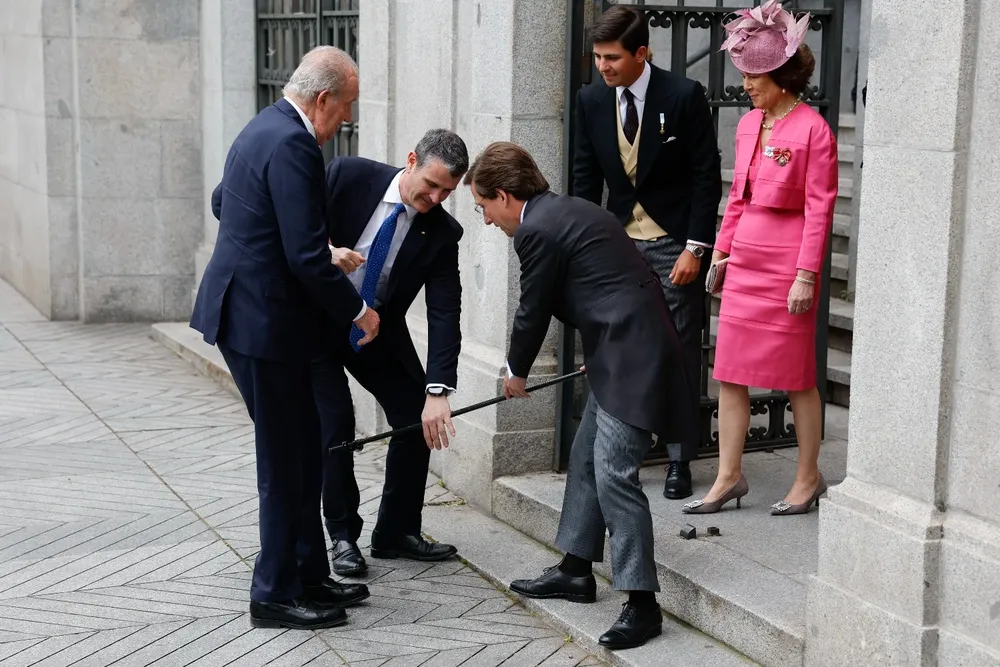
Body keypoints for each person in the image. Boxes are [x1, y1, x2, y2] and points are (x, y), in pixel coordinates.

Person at [465, 142, 696, 650]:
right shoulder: (566, 209)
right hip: (621, 342)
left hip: (631, 351)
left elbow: (534, 306)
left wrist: (516, 370)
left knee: (613, 470)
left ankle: (642, 603)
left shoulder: (537, 229)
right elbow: (609, 280)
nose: (485, 220)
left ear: (504, 195)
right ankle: (575, 570)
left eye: (482, 206)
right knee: (586, 459)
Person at [189, 46, 376, 629]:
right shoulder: (293, 143)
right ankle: (272, 594)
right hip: (260, 325)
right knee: (285, 459)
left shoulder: (262, 125)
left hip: (254, 317)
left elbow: (229, 204)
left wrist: (308, 248)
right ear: (323, 100)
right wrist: (359, 312)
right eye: (345, 108)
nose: (344, 121)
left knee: (302, 450)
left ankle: (309, 575)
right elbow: (302, 257)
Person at [683, 1, 838, 516]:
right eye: (745, 73)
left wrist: (807, 275)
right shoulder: (749, 124)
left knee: (796, 377)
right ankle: (729, 477)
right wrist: (722, 251)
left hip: (789, 262)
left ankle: (808, 477)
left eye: (755, 74)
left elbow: (820, 209)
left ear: (781, 75)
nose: (746, 83)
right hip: (746, 260)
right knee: (729, 370)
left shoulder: (814, 129)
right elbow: (739, 197)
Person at [573, 4, 723, 500]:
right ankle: (624, 453)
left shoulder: (683, 95)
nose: (603, 67)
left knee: (679, 347)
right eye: (597, 57)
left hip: (674, 244)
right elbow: (584, 178)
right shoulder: (592, 99)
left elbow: (706, 177)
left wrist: (697, 249)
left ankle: (680, 457)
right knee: (617, 346)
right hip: (619, 245)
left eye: (612, 57)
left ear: (642, 53)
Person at [312, 129, 468, 575]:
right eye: (432, 185)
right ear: (412, 159)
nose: (436, 198)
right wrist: (323, 251)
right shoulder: (347, 175)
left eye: (448, 192)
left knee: (416, 415)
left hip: (375, 329)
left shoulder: (442, 231)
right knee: (336, 423)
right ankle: (342, 537)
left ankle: (396, 532)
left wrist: (438, 390)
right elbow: (292, 224)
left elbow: (445, 310)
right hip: (317, 323)